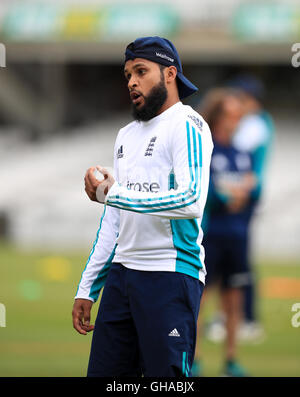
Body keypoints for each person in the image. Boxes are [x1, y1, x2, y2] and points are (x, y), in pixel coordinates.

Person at [72, 36, 213, 377]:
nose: (132, 81)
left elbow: (190, 200)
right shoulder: (126, 135)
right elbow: (113, 221)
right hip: (122, 276)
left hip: (170, 274)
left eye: (141, 71)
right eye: (127, 75)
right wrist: (87, 288)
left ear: (169, 74)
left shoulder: (187, 124)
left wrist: (114, 193)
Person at [193, 88, 258, 376]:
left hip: (238, 237)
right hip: (211, 237)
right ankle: (192, 359)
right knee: (199, 300)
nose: (238, 119)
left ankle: (231, 360)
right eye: (232, 114)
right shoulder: (206, 151)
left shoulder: (243, 153)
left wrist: (240, 193)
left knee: (234, 301)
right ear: (219, 116)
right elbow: (209, 193)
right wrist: (232, 194)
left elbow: (254, 191)